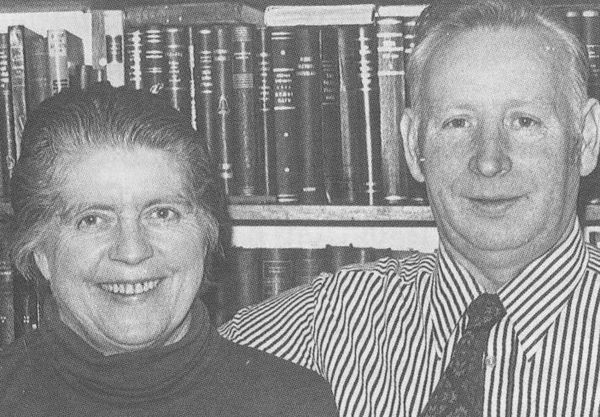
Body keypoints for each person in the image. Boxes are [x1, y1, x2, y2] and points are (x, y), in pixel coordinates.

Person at [220, 0, 600, 416]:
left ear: (585, 140)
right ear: (412, 143)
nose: (490, 161)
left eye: (524, 121)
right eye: (458, 122)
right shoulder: (323, 326)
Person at [0, 85, 338, 416]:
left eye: (162, 213)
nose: (132, 251)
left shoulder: (294, 403)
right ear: (39, 250)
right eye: (92, 220)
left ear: (207, 234)